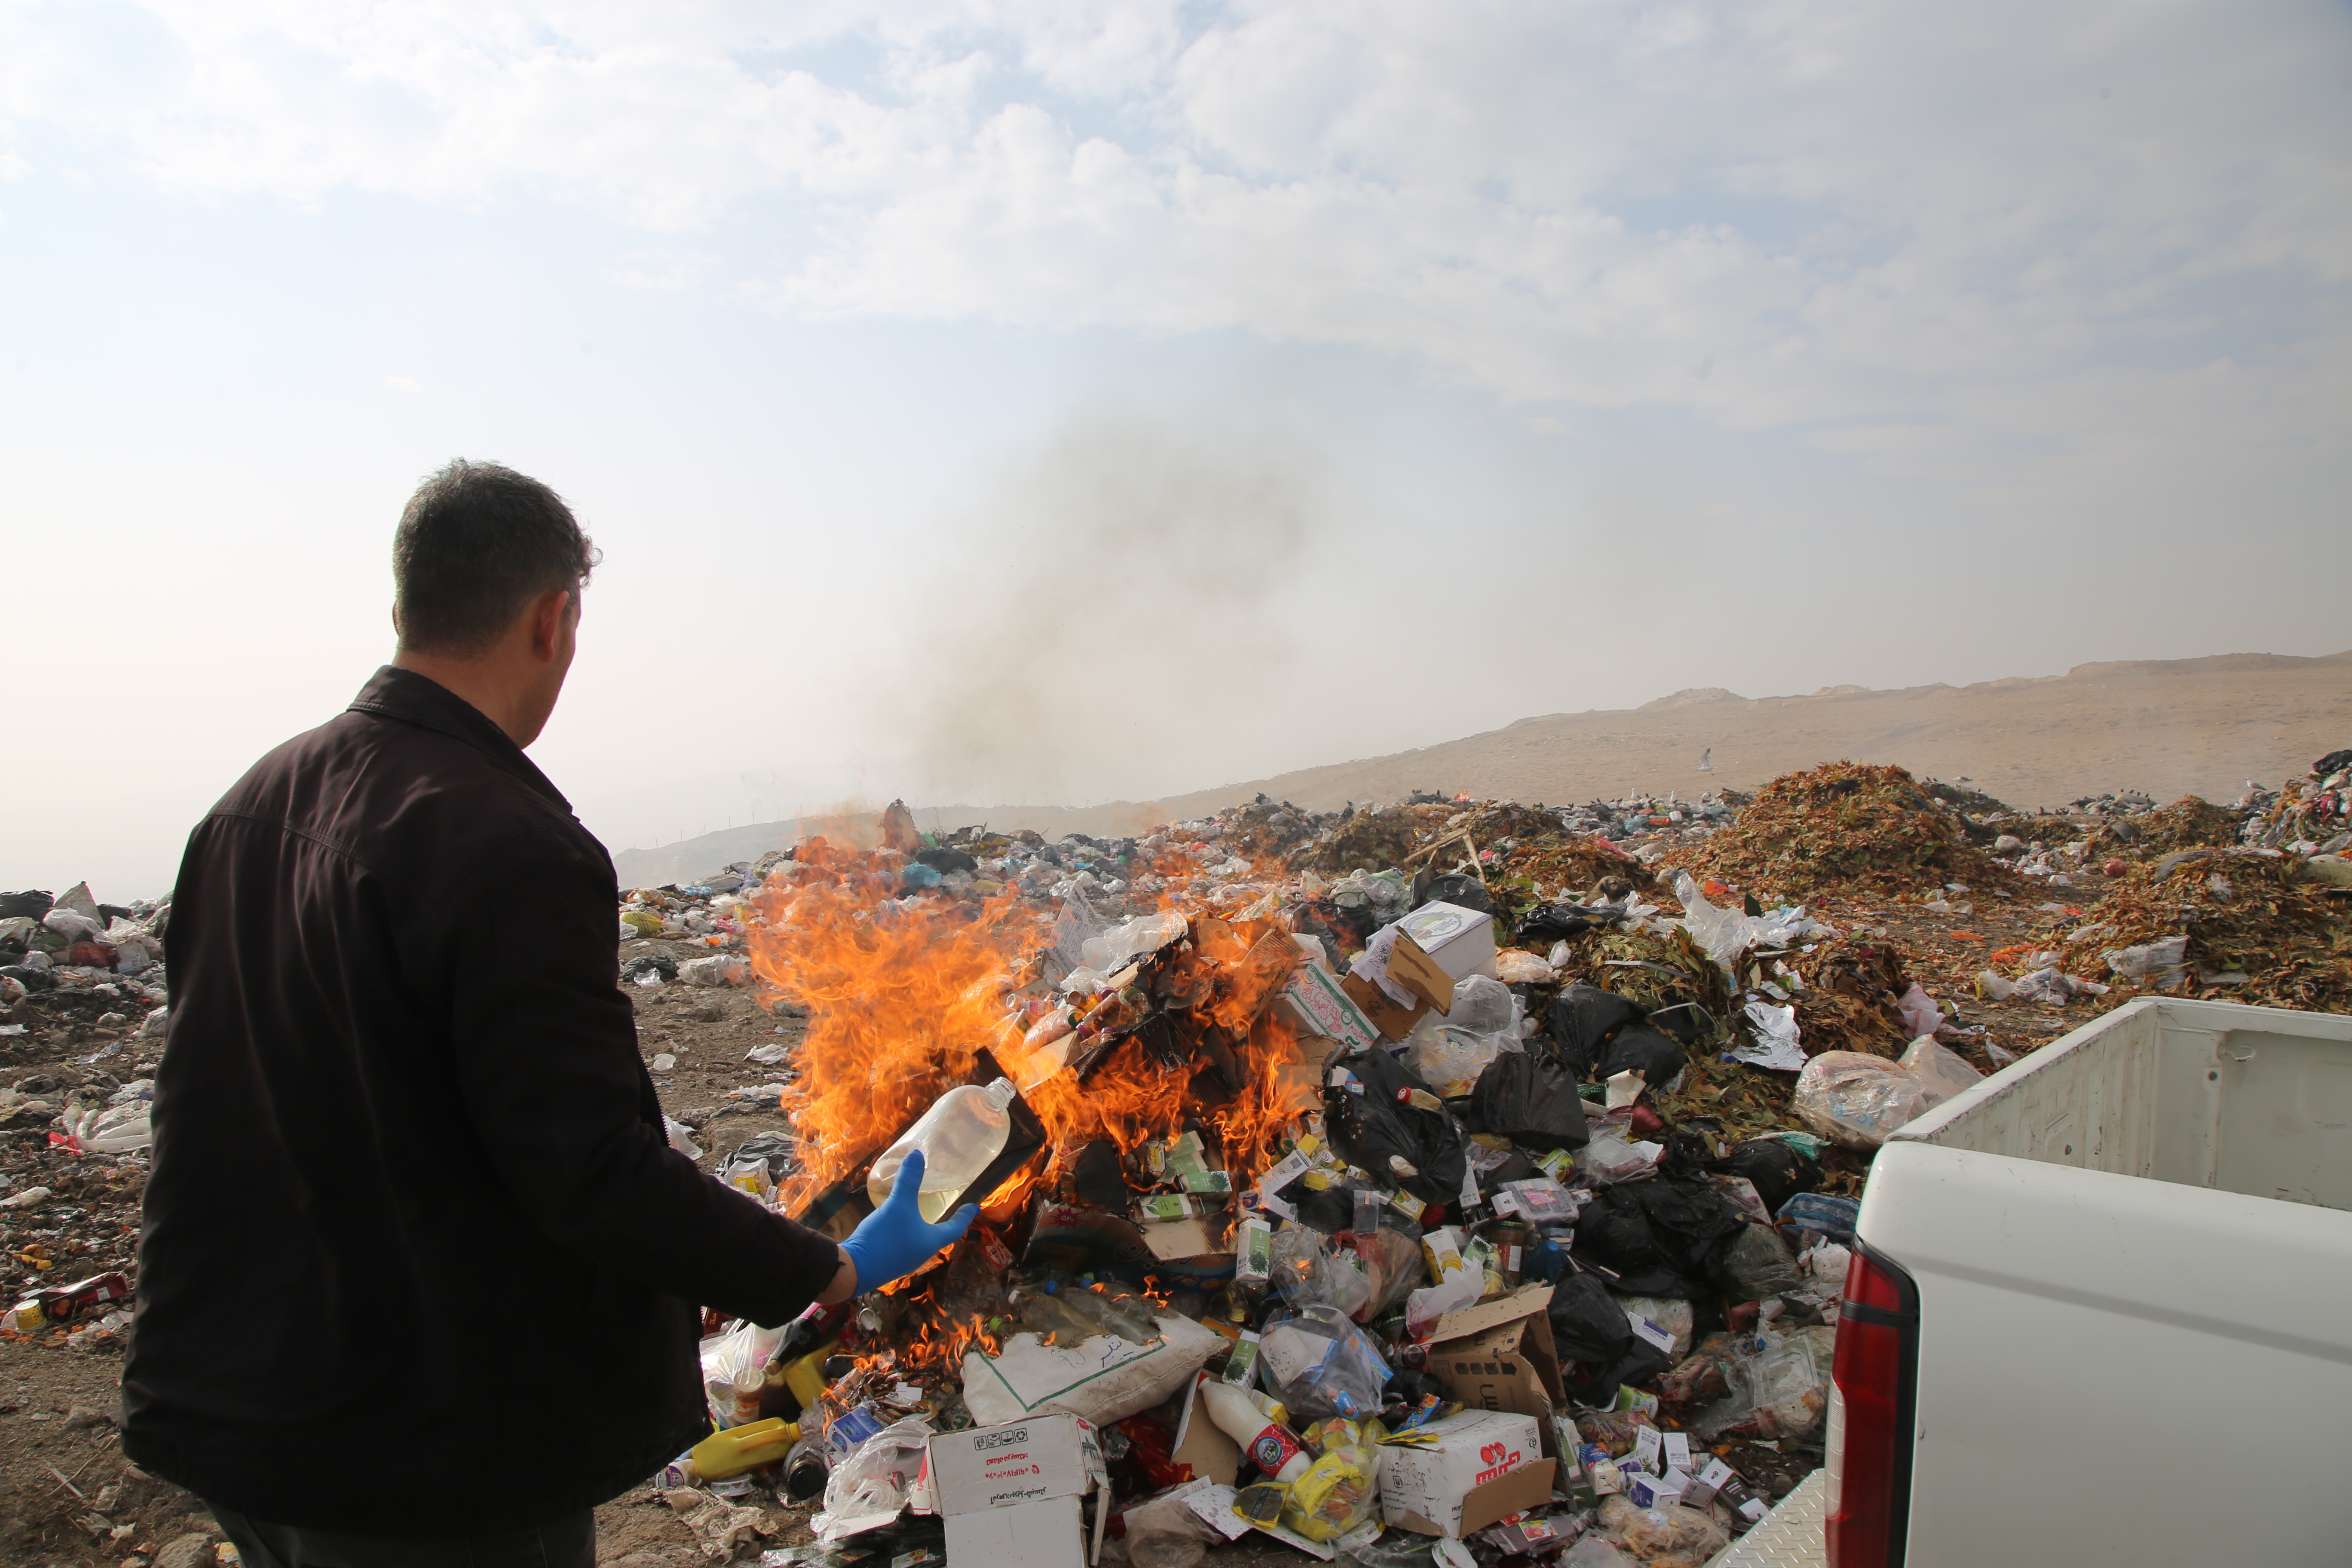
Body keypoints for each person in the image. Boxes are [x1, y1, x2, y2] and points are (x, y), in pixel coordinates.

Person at [122, 460, 975, 1568]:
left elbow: (214, 1103)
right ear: (552, 619)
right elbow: (587, 1170)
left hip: (239, 1403)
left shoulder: (246, 807)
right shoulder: (501, 839)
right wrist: (829, 1270)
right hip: (422, 1452)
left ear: (407, 603)